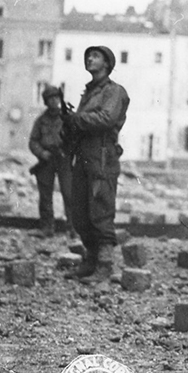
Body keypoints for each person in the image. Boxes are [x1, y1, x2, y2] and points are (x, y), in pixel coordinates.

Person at [64, 45, 130, 284]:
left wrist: (76, 119)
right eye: (88, 56)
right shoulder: (89, 93)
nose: (89, 59)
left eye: (95, 56)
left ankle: (104, 265)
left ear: (107, 64)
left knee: (101, 211)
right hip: (83, 156)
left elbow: (106, 118)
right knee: (80, 214)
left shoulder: (113, 91)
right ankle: (90, 261)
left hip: (102, 157)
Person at [28, 84, 75, 237]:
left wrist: (69, 150)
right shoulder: (41, 121)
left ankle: (73, 228)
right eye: (50, 99)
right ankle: (47, 228)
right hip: (47, 159)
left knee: (69, 193)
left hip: (64, 159)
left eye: (56, 98)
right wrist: (42, 153)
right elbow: (33, 141)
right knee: (45, 195)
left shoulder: (67, 117)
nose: (54, 101)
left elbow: (76, 137)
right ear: (46, 102)